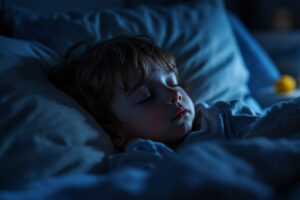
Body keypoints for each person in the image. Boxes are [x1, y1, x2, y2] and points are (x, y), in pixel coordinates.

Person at [49, 35, 300, 170]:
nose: (174, 95)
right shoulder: (142, 156)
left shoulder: (222, 116)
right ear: (116, 132)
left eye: (173, 82)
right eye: (145, 97)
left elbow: (271, 129)